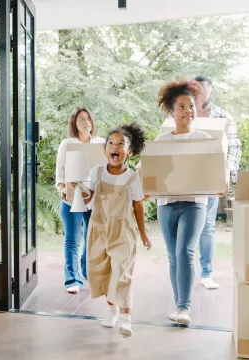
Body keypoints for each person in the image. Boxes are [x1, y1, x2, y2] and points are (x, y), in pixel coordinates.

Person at [155, 80, 227, 325]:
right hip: (166, 204)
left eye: (192, 106)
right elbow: (149, 171)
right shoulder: (162, 140)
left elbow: (217, 168)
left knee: (185, 252)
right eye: (182, 107)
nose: (188, 111)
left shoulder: (205, 138)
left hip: (195, 203)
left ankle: (184, 308)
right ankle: (178, 305)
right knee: (173, 257)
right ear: (172, 111)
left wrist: (222, 181)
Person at [77, 123, 152, 338]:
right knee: (101, 273)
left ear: (128, 152)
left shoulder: (132, 177)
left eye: (121, 144)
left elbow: (138, 205)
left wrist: (144, 234)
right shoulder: (96, 173)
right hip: (98, 230)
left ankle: (126, 318)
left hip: (122, 232)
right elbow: (87, 200)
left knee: (122, 272)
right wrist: (77, 189)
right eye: (111, 143)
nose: (115, 147)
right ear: (105, 150)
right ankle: (112, 310)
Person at [194, 75, 242, 290]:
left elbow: (234, 147)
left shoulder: (223, 116)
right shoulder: (184, 112)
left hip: (212, 178)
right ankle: (183, 271)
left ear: (210, 92)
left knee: (207, 227)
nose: (199, 94)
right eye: (196, 90)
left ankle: (206, 273)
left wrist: (227, 176)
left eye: (203, 90)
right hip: (186, 178)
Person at [55, 106, 106, 294]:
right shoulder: (67, 144)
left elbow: (108, 168)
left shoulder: (101, 143)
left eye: (88, 119)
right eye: (81, 119)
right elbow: (60, 171)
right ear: (74, 124)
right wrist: (62, 187)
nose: (86, 122)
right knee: (72, 240)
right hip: (72, 199)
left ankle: (86, 271)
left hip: (94, 198)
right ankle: (72, 280)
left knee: (92, 239)